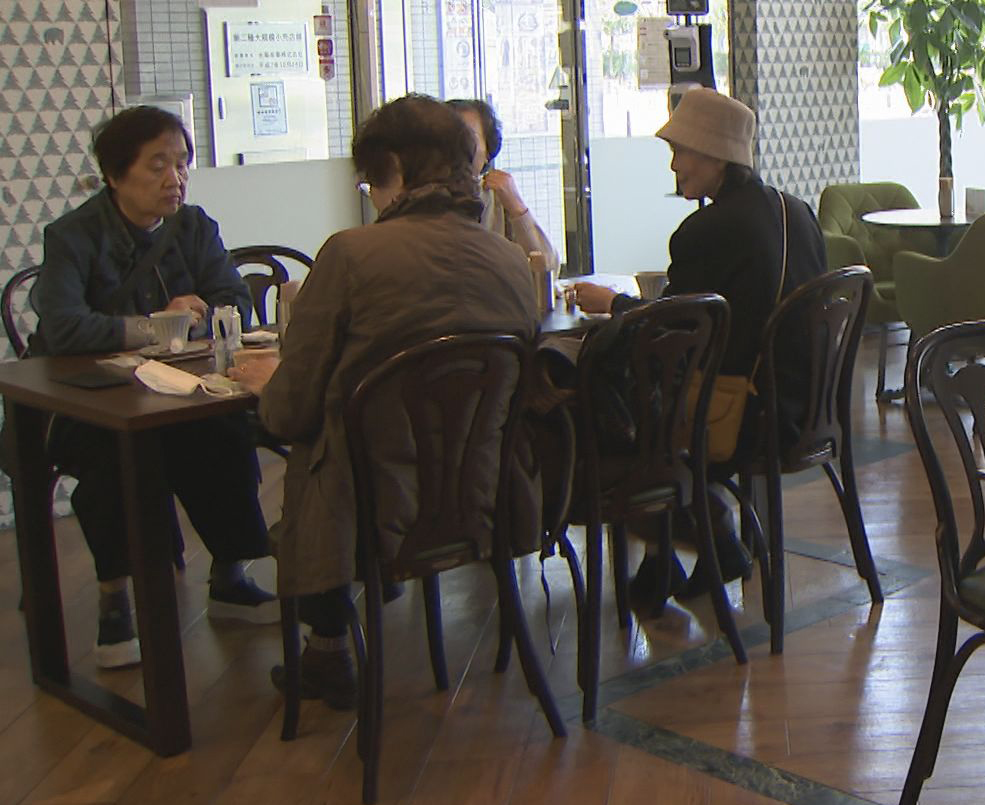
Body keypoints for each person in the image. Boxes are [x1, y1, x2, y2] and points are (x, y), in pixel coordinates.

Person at [228, 95, 540, 709]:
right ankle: (329, 643)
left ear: (394, 169)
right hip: (484, 495)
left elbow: (289, 412)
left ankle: (328, 645)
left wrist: (269, 384)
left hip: (372, 509)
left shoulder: (351, 255)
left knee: (310, 446)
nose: (371, 196)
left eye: (371, 181)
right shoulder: (508, 260)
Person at [30, 105, 274, 669]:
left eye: (182, 164)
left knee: (223, 436)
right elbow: (63, 326)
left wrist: (204, 313)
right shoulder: (73, 236)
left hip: (178, 391)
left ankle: (230, 576)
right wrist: (157, 325)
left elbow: (234, 299)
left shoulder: (194, 226)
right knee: (114, 456)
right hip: (88, 400)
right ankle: (115, 597)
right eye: (157, 165)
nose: (175, 178)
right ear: (115, 175)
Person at [571, 88, 827, 609]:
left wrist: (614, 304)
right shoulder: (797, 211)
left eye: (680, 152)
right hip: (809, 407)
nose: (673, 166)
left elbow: (667, 334)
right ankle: (681, 555)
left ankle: (699, 543)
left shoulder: (704, 231)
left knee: (612, 411)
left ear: (715, 156)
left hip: (746, 417)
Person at [447, 98, 559, 267]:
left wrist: (517, 208)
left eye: (468, 138)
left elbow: (547, 267)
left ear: (488, 151)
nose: (457, 149)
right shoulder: (420, 198)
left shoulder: (497, 197)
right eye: (447, 139)